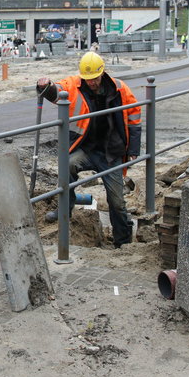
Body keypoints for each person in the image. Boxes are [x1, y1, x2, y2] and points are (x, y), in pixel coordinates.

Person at [36, 53, 142, 248]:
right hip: (86, 148)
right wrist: (46, 86)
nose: (92, 83)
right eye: (88, 79)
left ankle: (123, 241)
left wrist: (134, 148)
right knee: (67, 165)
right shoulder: (74, 85)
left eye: (95, 78)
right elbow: (58, 91)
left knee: (117, 200)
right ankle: (64, 210)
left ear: (102, 72)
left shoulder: (119, 88)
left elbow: (134, 115)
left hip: (112, 150)